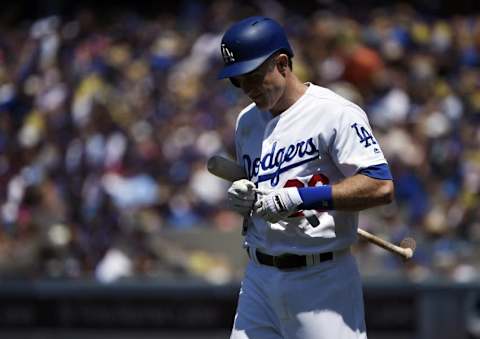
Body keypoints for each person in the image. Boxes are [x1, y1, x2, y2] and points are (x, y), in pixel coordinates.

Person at [218, 16, 394, 339]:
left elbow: (380, 185)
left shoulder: (335, 112)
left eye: (254, 76)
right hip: (258, 278)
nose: (248, 89)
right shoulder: (246, 122)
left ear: (282, 63)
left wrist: (303, 198)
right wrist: (246, 197)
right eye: (238, 81)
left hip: (321, 280)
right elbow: (264, 191)